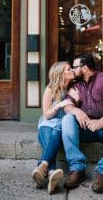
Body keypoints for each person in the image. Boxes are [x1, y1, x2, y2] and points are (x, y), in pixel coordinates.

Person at [62, 53, 103, 194]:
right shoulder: (75, 84)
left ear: (84, 68)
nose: (72, 70)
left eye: (74, 67)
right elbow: (67, 106)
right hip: (84, 129)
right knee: (67, 118)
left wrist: (101, 122)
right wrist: (77, 111)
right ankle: (77, 169)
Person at [32, 61, 77, 195]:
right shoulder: (50, 90)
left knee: (56, 132)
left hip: (60, 126)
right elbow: (46, 115)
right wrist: (59, 105)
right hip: (47, 125)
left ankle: (42, 168)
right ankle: (51, 172)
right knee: (51, 134)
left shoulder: (73, 89)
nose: (72, 70)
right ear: (61, 74)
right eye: (69, 69)